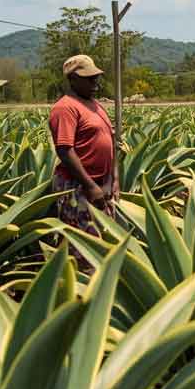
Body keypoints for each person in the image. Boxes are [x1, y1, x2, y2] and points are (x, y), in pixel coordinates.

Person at [49, 55, 118, 253]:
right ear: (72, 79)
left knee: (103, 241)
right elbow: (64, 149)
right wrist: (90, 186)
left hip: (102, 184)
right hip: (78, 187)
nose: (95, 82)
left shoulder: (95, 105)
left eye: (96, 77)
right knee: (82, 247)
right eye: (89, 78)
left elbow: (111, 142)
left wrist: (114, 178)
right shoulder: (65, 108)